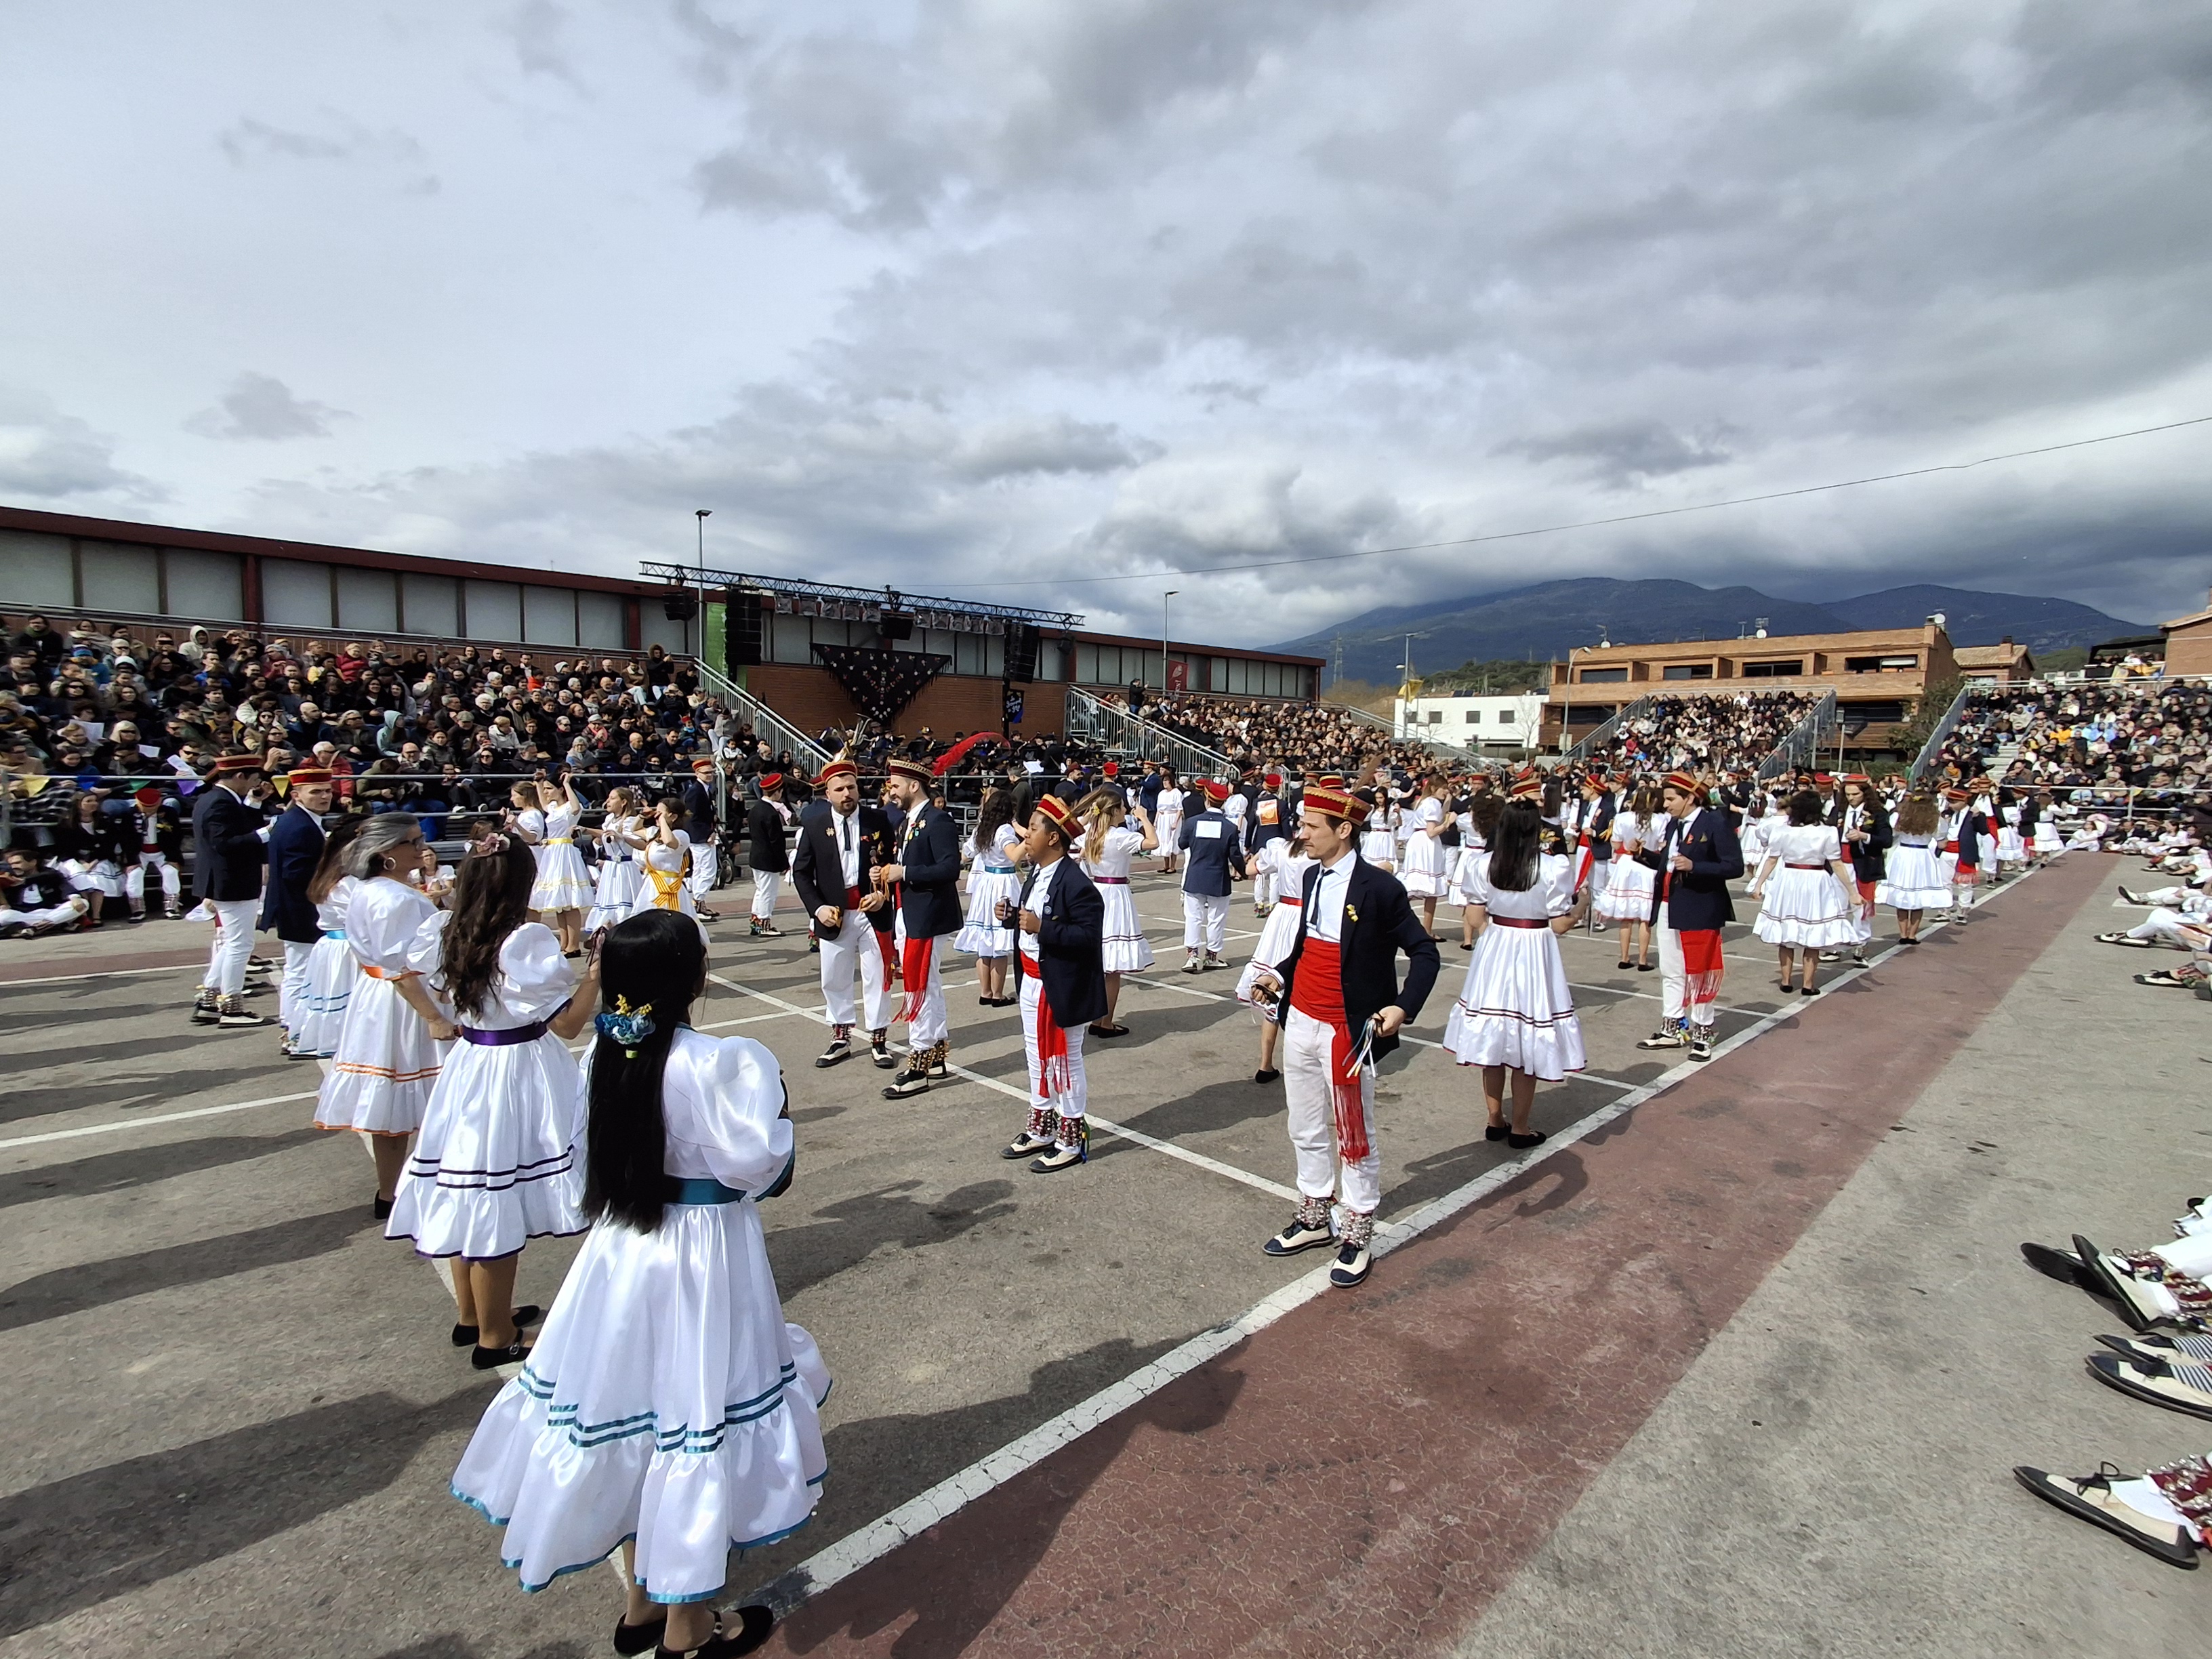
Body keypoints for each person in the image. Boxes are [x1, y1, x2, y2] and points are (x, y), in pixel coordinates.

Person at [449, 910, 825, 1654]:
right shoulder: (720, 1061)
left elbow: (588, 1159)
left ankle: (642, 1604)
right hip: (704, 1259)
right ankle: (689, 1623)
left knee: (636, 1413)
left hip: (620, 1254)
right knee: (695, 1416)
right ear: (693, 979)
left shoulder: (605, 1056)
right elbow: (762, 1169)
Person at [387, 835, 598, 1368]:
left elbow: (425, 987)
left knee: (471, 1186)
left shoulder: (445, 930)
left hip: (470, 1066)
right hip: (516, 1070)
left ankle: (472, 1315)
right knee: (493, 1197)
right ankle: (496, 1335)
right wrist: (596, 976)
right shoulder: (523, 940)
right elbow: (569, 1025)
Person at [1247, 780, 1440, 1290]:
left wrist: (1402, 1007)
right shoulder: (1312, 878)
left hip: (1347, 1033)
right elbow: (1309, 947)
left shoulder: (1381, 888)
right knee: (1305, 1124)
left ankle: (1357, 1230)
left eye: (1312, 827)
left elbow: (1425, 953)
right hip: (1302, 1021)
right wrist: (1279, 976)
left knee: (1354, 1134)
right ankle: (1314, 1216)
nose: (1302, 833)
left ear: (1344, 830)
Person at [314, 814, 453, 1219]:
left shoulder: (370, 890)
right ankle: (423, 1187)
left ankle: (391, 1191)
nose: (421, 847)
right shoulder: (396, 898)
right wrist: (434, 1016)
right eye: (412, 841)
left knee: (394, 1099)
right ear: (386, 853)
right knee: (429, 1093)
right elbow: (402, 969)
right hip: (405, 1003)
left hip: (380, 998)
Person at [1445, 778, 1589, 1146]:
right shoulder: (1554, 868)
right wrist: (1583, 905)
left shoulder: (1482, 865)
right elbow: (1559, 923)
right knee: (1528, 1038)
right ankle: (1521, 1128)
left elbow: (1475, 921)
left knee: (1495, 1038)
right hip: (1534, 950)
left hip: (1496, 948)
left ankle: (1496, 1119)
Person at [996, 794, 1108, 1173]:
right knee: (1036, 1056)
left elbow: (1088, 937)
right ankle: (1042, 1125)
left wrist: (1043, 927)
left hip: (1060, 986)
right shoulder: (1038, 875)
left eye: (1032, 829)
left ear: (1054, 838)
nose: (1026, 835)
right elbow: (1034, 924)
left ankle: (1072, 1137)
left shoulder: (1076, 882)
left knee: (1066, 1059)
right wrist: (1014, 917)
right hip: (1031, 979)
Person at [790, 758, 898, 1071]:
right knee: (834, 975)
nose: (847, 793)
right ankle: (840, 1036)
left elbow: (890, 864)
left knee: (878, 975)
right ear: (828, 793)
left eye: (851, 787)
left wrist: (882, 896)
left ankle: (879, 1037)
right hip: (834, 913)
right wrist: (817, 908)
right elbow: (801, 873)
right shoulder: (813, 825)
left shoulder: (878, 820)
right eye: (840, 789)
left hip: (871, 911)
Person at [1633, 769, 1744, 1063]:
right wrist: (1643, 854)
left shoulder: (1714, 823)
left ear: (1690, 798)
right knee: (1671, 971)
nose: (1666, 805)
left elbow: (1734, 866)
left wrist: (1696, 866)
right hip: (1670, 905)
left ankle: (1702, 1034)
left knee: (1700, 972)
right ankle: (1673, 1028)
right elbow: (1670, 865)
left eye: (1671, 799)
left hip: (1701, 907)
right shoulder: (1674, 825)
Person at [878, 754, 964, 1098]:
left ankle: (919, 1062)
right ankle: (937, 1054)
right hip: (911, 911)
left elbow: (949, 868)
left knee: (920, 987)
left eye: (896, 786)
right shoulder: (907, 821)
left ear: (915, 785)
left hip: (928, 915)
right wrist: (887, 872)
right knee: (928, 984)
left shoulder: (938, 820)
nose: (891, 792)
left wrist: (906, 873)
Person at [188, 753, 276, 1029]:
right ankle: (232, 1006)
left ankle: (208, 1000)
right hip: (231, 881)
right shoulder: (219, 802)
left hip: (228, 880)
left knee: (231, 943)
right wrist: (267, 833)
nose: (254, 784)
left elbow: (238, 824)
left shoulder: (218, 799)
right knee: (240, 945)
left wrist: (255, 803)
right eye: (253, 779)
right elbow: (224, 843)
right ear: (240, 777)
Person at [1746, 787, 1860, 996]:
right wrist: (1852, 891)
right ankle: (1808, 984)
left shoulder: (1782, 831)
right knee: (1812, 934)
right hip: (1816, 881)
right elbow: (1837, 864)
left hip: (1788, 880)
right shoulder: (1828, 831)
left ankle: (1786, 981)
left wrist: (1759, 884)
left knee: (1786, 934)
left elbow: (1772, 859)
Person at [1237, 815, 1314, 1084]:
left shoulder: (1282, 849)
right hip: (1307, 917)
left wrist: (1258, 853)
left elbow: (1250, 870)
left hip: (1282, 916)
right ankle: (1304, 1065)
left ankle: (1265, 1064)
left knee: (1273, 989)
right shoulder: (1319, 855)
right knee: (1304, 988)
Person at [1076, 786, 1156, 1037]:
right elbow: (1153, 842)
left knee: (1099, 959)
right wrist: (1143, 817)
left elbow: (1073, 829)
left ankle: (1096, 1017)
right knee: (1113, 966)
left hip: (1095, 891)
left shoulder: (1090, 834)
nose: (1126, 810)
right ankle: (1106, 1022)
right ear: (1114, 812)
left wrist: (1088, 816)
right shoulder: (1119, 836)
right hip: (1116, 895)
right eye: (1122, 807)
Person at [260, 766, 333, 1048]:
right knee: (301, 972)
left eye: (327, 790)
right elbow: (296, 873)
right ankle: (294, 1031)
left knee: (299, 971)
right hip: (300, 911)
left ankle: (293, 1026)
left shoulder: (297, 821)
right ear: (297, 795)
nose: (325, 796)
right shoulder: (300, 826)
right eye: (316, 792)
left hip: (295, 909)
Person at [289, 818, 367, 1060]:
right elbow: (364, 918)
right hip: (346, 949)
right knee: (350, 999)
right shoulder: (346, 883)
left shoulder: (336, 877)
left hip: (335, 947)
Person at [954, 788, 1023, 1006]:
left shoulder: (981, 829)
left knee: (985, 942)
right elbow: (1013, 856)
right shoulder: (1004, 830)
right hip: (1003, 883)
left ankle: (985, 991)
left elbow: (966, 854)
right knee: (999, 941)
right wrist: (1028, 841)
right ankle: (997, 994)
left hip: (985, 884)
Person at [1178, 779, 1246, 974]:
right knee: (1217, 917)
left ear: (1207, 798)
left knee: (1193, 917)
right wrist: (1244, 872)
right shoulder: (1229, 827)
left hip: (1196, 875)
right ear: (1223, 802)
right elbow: (1235, 856)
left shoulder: (1192, 822)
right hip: (1218, 877)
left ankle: (1192, 956)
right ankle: (1212, 956)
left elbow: (1182, 844)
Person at [1593, 781, 1658, 971]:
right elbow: (1662, 845)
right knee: (1645, 917)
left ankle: (1624, 957)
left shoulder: (1622, 818)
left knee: (1626, 916)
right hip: (1648, 865)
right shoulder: (1660, 820)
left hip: (1627, 865)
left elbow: (1615, 845)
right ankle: (1644, 960)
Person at [527, 774, 593, 956]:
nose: (547, 792)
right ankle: (565, 943)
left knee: (570, 902)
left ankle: (574, 944)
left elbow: (576, 807)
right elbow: (543, 803)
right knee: (559, 902)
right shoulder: (554, 808)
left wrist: (566, 783)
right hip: (552, 853)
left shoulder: (568, 809)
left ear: (560, 790)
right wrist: (539, 784)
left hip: (565, 851)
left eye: (550, 788)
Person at [1876, 791, 1948, 945]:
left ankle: (1903, 933)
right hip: (1923, 856)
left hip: (1903, 854)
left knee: (1902, 895)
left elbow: (1893, 833)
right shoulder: (1937, 820)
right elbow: (1942, 842)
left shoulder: (1899, 817)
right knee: (1918, 897)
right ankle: (1912, 935)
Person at [1834, 774, 1891, 964]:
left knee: (1861, 906)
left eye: (1855, 794)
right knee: (1837, 905)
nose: (1851, 798)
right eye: (1848, 794)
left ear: (1865, 793)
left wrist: (1864, 836)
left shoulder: (1877, 813)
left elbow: (1886, 840)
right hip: (1839, 863)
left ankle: (1860, 944)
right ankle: (1836, 944)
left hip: (1864, 863)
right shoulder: (1839, 810)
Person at [583, 785, 643, 937]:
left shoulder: (630, 822)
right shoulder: (610, 819)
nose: (608, 802)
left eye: (612, 798)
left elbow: (643, 844)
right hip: (610, 868)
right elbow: (604, 833)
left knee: (623, 900)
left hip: (624, 867)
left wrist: (622, 837)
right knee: (608, 900)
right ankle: (605, 930)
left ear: (623, 802)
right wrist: (586, 830)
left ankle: (625, 930)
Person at [1398, 773, 1452, 935]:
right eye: (1444, 788)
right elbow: (1432, 831)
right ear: (1435, 788)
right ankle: (1427, 930)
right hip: (1426, 844)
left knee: (1418, 886)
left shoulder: (1423, 801)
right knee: (1430, 889)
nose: (1446, 791)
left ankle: (1412, 925)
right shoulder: (1433, 802)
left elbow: (1438, 817)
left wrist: (1448, 801)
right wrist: (1449, 822)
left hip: (1417, 841)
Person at [745, 773, 792, 938]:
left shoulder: (756, 809)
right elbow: (776, 841)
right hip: (768, 859)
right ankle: (765, 923)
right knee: (768, 893)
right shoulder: (771, 813)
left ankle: (756, 922)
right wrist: (784, 863)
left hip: (757, 856)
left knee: (761, 891)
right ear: (778, 792)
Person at [682, 755, 724, 920]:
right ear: (697, 773)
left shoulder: (705, 790)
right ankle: (697, 902)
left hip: (704, 833)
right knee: (707, 870)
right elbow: (692, 817)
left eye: (712, 772)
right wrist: (708, 833)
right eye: (706, 773)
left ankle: (700, 902)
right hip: (700, 836)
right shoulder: (695, 792)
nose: (710, 775)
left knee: (703, 869)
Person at [1153, 769, 1185, 874]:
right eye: (1164, 781)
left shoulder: (1176, 793)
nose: (1165, 783)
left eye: (1167, 780)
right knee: (1164, 840)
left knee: (1172, 840)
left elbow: (1180, 809)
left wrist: (1176, 822)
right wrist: (1156, 821)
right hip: (1163, 818)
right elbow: (1159, 809)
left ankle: (1172, 866)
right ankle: (1165, 865)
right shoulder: (1161, 793)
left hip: (1172, 817)